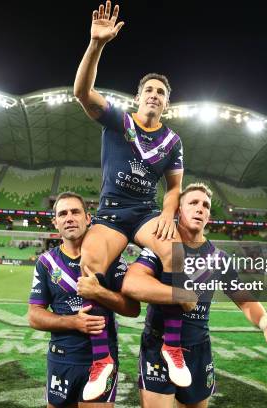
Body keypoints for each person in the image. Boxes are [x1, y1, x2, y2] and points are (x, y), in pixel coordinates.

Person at [74, 1, 188, 391]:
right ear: (138, 98)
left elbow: (174, 188)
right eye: (149, 90)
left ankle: (172, 347)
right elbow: (81, 92)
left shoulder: (173, 140)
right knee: (89, 266)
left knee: (174, 252)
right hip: (109, 213)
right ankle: (102, 358)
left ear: (167, 103)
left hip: (144, 213)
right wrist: (96, 45)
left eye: (161, 92)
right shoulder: (119, 120)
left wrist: (168, 216)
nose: (154, 95)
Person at [122, 183, 267, 407]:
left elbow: (244, 300)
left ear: (209, 215)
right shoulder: (160, 247)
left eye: (205, 205)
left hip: (198, 349)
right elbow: (132, 283)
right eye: (193, 203)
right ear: (178, 211)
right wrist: (179, 295)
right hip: (159, 345)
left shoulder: (219, 258)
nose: (200, 208)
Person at [27, 192, 139, 405]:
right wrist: (74, 322)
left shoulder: (112, 258)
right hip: (61, 358)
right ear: (56, 223)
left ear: (88, 218)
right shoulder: (46, 263)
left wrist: (100, 293)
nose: (69, 217)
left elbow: (133, 309)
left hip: (102, 359)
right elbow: (34, 316)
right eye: (63, 214)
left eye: (75, 212)